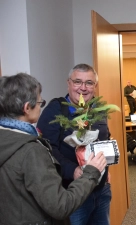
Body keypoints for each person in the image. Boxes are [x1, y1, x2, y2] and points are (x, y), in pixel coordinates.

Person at [0, 73, 107, 225]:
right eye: (39, 102)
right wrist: (91, 172)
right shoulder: (31, 150)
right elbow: (60, 206)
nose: (40, 107)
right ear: (27, 108)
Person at [37, 64, 112, 225]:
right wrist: (74, 171)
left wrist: (106, 170)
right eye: (78, 82)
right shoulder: (55, 109)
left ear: (95, 86)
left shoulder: (98, 108)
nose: (83, 88)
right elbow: (46, 150)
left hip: (101, 190)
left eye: (89, 83)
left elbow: (104, 139)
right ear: (68, 83)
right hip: (72, 193)